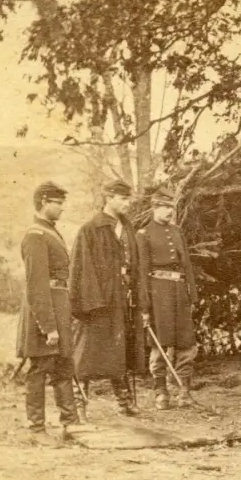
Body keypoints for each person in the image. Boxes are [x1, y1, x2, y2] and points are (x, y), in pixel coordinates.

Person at [70, 179, 145, 419]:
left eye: (128, 198)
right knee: (85, 355)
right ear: (109, 198)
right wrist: (91, 304)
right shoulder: (90, 229)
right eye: (123, 198)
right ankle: (78, 404)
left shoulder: (128, 228)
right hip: (97, 303)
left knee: (119, 350)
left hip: (122, 301)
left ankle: (124, 401)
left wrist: (138, 298)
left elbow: (136, 265)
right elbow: (81, 269)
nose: (127, 202)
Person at [16, 181, 80, 439]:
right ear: (43, 202)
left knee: (64, 364)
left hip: (59, 306)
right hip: (43, 312)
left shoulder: (50, 232)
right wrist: (49, 326)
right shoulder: (35, 235)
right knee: (40, 368)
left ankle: (70, 424)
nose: (62, 208)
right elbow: (37, 284)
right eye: (58, 203)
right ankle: (37, 429)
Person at [137, 188, 198, 410]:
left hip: (179, 292)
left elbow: (186, 265)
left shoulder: (177, 232)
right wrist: (144, 305)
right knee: (160, 344)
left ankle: (184, 391)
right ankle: (160, 391)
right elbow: (141, 272)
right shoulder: (144, 234)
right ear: (154, 208)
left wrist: (192, 293)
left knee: (186, 342)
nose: (169, 212)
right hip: (157, 293)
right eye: (165, 207)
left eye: (172, 207)